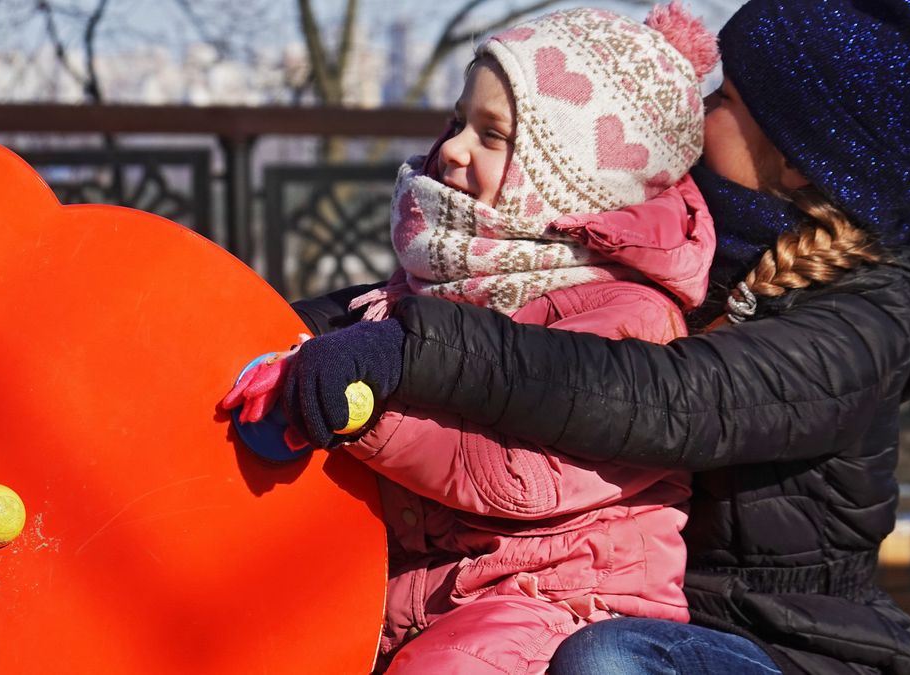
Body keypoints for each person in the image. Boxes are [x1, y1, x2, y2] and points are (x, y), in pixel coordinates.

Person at [271, 0, 910, 673]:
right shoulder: (678, 233)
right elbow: (475, 292)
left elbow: (673, 399)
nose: (700, 107)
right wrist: (275, 330)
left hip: (788, 648)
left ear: (794, 154)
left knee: (610, 659)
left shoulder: (867, 316)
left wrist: (415, 352)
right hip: (600, 607)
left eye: (725, 99)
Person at [225, 6, 721, 672]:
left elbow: (521, 473)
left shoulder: (629, 313)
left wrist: (362, 413)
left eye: (494, 134)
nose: (454, 147)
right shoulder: (454, 273)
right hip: (433, 585)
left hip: (559, 597)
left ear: (572, 174)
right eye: (459, 121)